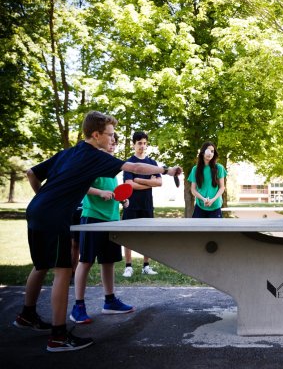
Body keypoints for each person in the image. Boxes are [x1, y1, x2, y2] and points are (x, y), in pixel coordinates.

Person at [13, 111, 181, 352]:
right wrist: (166, 170)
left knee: (40, 265)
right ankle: (58, 337)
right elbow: (134, 166)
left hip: (36, 211)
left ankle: (26, 315)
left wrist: (43, 198)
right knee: (62, 271)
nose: (113, 139)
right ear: (96, 135)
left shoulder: (69, 152)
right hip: (54, 216)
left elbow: (32, 173)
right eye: (110, 135)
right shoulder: (95, 156)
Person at [70, 133, 134, 324]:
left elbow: (113, 192)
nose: (113, 144)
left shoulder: (112, 165)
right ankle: (78, 306)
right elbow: (81, 186)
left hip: (111, 219)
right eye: (111, 140)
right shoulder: (91, 162)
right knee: (86, 261)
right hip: (93, 218)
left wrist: (122, 199)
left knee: (108, 262)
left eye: (115, 142)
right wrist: (100, 192)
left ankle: (110, 301)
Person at [121, 131, 161, 277]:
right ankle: (128, 266)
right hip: (131, 204)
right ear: (134, 145)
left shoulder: (152, 163)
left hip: (147, 204)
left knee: (147, 235)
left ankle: (146, 265)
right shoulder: (129, 163)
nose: (142, 146)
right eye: (139, 143)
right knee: (128, 235)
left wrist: (140, 180)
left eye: (145, 143)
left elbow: (160, 182)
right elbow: (129, 184)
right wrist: (150, 183)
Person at [188, 142, 227, 218]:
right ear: (202, 153)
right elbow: (193, 189)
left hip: (215, 206)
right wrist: (203, 199)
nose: (210, 153)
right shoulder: (195, 169)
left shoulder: (219, 168)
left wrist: (212, 200)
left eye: (212, 151)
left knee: (216, 230)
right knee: (196, 230)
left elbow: (222, 187)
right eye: (208, 151)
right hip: (200, 206)